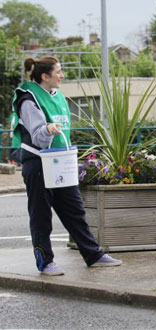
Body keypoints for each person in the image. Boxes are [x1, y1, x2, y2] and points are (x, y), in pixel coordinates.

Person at [12, 56, 122, 275]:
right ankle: (45, 261)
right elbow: (37, 136)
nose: (62, 76)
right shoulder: (28, 98)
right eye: (59, 72)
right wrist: (47, 130)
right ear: (45, 76)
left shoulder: (59, 96)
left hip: (60, 162)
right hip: (39, 163)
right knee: (41, 215)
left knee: (74, 210)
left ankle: (93, 254)